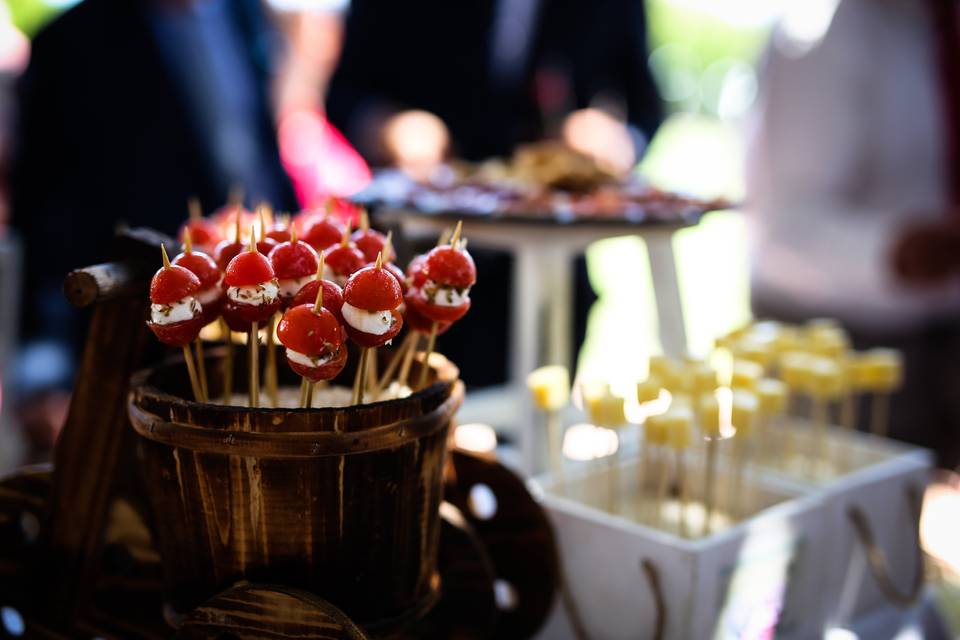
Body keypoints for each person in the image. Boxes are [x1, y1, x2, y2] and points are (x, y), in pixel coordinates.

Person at [326, 0, 663, 386]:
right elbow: (343, 92)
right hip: (410, 263)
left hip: (552, 276)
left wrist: (618, 141)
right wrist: (387, 126)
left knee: (535, 426)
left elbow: (646, 108)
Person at [9, 0, 297, 449]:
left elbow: (259, 151)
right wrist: (42, 365)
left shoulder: (243, 13)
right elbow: (47, 215)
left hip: (264, 331)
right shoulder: (70, 42)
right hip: (138, 345)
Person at [747, 0, 960, 467]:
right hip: (836, 343)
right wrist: (904, 252)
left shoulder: (932, 28)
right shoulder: (822, 28)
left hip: (940, 332)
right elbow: (785, 228)